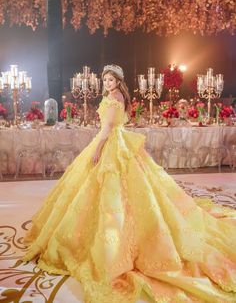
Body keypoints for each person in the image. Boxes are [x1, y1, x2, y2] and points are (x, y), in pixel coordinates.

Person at [23, 65, 236, 303]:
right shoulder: (116, 97)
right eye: (105, 79)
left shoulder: (114, 99)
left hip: (111, 143)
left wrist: (98, 150)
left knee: (114, 187)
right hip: (117, 140)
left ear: (118, 81)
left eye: (111, 80)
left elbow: (106, 129)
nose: (107, 83)